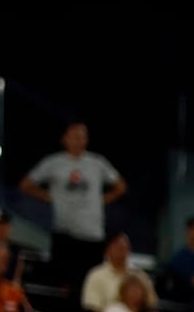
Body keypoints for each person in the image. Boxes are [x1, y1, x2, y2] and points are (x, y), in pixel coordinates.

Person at [19, 121, 126, 285]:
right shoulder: (53, 163)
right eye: (74, 136)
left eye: (82, 136)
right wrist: (49, 197)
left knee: (90, 283)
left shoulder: (97, 163)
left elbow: (120, 186)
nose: (78, 140)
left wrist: (101, 201)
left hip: (92, 234)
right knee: (62, 283)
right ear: (65, 139)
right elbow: (26, 184)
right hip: (65, 233)